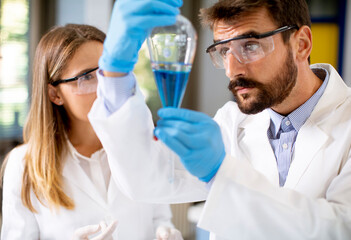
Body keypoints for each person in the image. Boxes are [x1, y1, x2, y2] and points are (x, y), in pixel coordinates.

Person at [89, 0, 351, 239]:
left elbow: (339, 229)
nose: (232, 69)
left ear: (301, 44)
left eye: (250, 45)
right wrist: (115, 73)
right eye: (224, 50)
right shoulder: (231, 122)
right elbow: (146, 179)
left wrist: (221, 173)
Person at [1, 24, 184, 240]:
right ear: (54, 94)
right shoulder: (24, 164)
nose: (105, 88)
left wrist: (166, 234)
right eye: (86, 77)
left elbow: (159, 220)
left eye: (107, 73)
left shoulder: (144, 145)